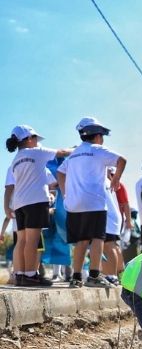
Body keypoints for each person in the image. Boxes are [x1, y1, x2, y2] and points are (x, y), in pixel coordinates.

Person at [56, 117, 127, 288]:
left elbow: (59, 172)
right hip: (94, 202)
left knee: (81, 240)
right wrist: (116, 179)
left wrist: (66, 193)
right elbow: (121, 160)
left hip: (74, 204)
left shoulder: (73, 154)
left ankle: (76, 277)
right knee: (97, 238)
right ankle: (94, 276)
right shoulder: (97, 149)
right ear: (97, 136)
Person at [5, 125, 71, 286]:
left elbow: (10, 187)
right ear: (28, 139)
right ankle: (30, 275)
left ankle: (20, 275)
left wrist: (6, 207)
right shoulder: (37, 152)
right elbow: (61, 152)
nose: (36, 142)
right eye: (35, 138)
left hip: (20, 204)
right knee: (32, 241)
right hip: (36, 201)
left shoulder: (15, 160)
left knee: (21, 241)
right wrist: (79, 149)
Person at [102, 166, 124, 284]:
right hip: (111, 217)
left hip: (108, 218)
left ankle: (112, 276)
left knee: (108, 246)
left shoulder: (102, 180)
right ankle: (111, 275)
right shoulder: (106, 181)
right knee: (110, 246)